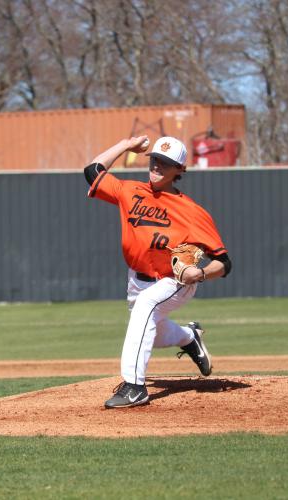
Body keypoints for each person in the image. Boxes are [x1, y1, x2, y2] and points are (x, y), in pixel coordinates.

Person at [84, 135, 232, 408]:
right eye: (154, 160)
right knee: (153, 330)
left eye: (165, 163)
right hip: (136, 278)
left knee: (146, 306)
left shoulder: (192, 212)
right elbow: (92, 171)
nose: (157, 166)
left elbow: (224, 263)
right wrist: (126, 145)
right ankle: (190, 338)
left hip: (174, 279)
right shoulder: (130, 191)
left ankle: (134, 387)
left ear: (180, 170)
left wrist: (198, 274)